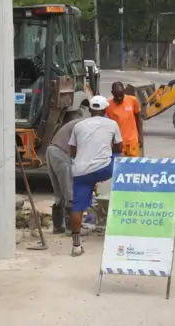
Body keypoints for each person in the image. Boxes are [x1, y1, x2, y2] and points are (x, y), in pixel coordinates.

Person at [68, 95, 123, 257]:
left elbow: (72, 151)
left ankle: (76, 246)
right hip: (104, 169)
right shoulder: (112, 124)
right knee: (118, 157)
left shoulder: (78, 125)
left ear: (90, 110)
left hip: (81, 171)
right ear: (106, 109)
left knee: (77, 207)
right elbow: (120, 146)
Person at [46, 116, 83, 234]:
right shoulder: (83, 126)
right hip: (61, 153)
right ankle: (70, 228)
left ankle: (57, 227)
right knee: (68, 192)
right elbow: (78, 149)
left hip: (52, 150)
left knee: (58, 192)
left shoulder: (79, 122)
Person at [106, 81, 142, 157]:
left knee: (133, 166)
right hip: (118, 144)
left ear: (124, 91)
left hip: (132, 142)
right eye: (117, 98)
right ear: (112, 93)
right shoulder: (108, 105)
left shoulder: (133, 101)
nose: (119, 100)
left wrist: (140, 137)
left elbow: (138, 119)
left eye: (121, 97)